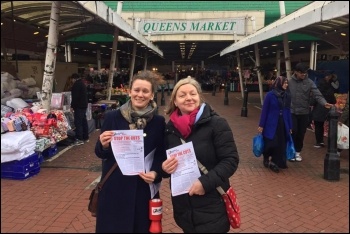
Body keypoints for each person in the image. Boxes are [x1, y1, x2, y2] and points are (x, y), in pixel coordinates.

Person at [161, 76, 239, 233]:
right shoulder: (170, 130)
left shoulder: (217, 124)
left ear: (199, 97)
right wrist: (164, 167)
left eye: (192, 93)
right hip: (184, 207)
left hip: (212, 204)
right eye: (182, 95)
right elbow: (164, 162)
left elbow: (231, 160)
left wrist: (205, 183)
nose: (188, 98)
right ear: (175, 101)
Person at [94, 71, 166, 233]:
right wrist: (103, 145)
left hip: (144, 189)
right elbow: (101, 154)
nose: (140, 95)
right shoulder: (113, 117)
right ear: (130, 92)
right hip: (115, 187)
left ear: (152, 95)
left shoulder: (158, 122)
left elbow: (161, 153)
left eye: (145, 91)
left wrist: (156, 173)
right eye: (136, 90)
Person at [288, 63, 333, 162]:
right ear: (296, 72)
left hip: (304, 112)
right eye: (301, 73)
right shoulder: (290, 82)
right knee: (293, 131)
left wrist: (324, 103)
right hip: (292, 112)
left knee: (301, 133)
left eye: (305, 73)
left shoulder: (309, 82)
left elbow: (317, 94)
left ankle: (297, 152)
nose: (303, 75)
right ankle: (290, 151)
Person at [258, 76, 292, 173]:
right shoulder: (270, 95)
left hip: (282, 122)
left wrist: (289, 125)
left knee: (281, 143)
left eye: (287, 83)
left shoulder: (287, 95)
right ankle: (266, 155)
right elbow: (264, 111)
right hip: (271, 123)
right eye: (284, 83)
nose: (286, 85)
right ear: (279, 83)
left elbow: (288, 110)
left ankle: (275, 162)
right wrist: (261, 125)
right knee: (271, 142)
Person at [312, 72, 337, 148]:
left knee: (318, 125)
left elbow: (314, 98)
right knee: (322, 125)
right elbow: (333, 100)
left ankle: (319, 142)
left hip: (318, 109)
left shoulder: (319, 87)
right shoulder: (330, 87)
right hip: (327, 109)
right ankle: (322, 141)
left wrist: (312, 103)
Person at [70, 73, 89, 145]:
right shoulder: (82, 84)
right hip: (83, 105)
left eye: (72, 79)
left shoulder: (76, 85)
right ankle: (85, 136)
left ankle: (79, 138)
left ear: (74, 78)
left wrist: (72, 106)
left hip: (79, 106)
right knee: (83, 121)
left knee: (78, 122)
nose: (71, 81)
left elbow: (75, 97)